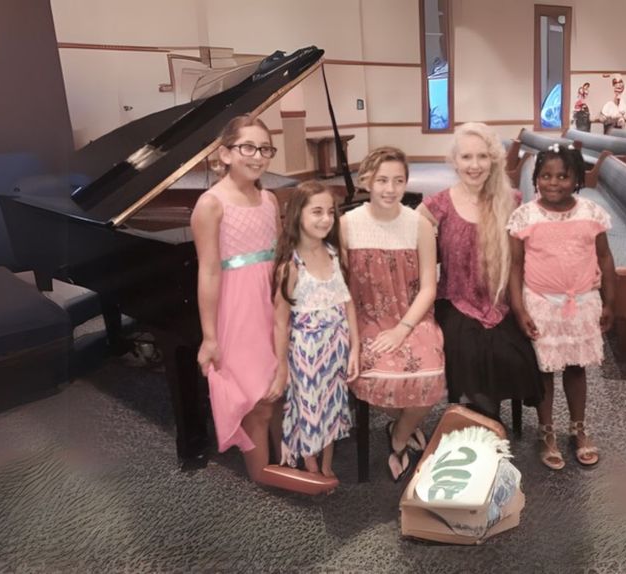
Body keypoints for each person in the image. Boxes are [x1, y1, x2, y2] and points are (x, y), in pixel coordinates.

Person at [417, 122, 543, 423]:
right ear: (454, 161)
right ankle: (483, 432)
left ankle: (485, 430)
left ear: (494, 160)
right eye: (466, 157)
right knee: (470, 354)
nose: (474, 165)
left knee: (510, 354)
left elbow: (527, 253)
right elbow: (404, 239)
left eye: (483, 157)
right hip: (455, 300)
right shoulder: (436, 206)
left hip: (499, 301)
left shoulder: (510, 201)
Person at [507, 143, 617, 470]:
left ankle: (578, 429)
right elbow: (515, 266)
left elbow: (605, 258)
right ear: (535, 178)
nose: (553, 183)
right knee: (544, 369)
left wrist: (610, 301)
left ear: (577, 179)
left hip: (582, 303)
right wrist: (519, 308)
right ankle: (546, 431)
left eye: (562, 176)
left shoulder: (591, 214)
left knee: (575, 366)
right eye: (545, 176)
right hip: (541, 304)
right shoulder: (525, 215)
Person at [340, 147, 446, 482]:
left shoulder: (419, 224)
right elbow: (342, 285)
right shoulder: (347, 224)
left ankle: (400, 433)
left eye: (398, 181)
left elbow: (429, 286)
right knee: (372, 372)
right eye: (382, 180)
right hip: (366, 319)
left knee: (430, 373)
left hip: (411, 316)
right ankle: (405, 423)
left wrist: (403, 329)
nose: (390, 188)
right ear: (367, 180)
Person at [190, 114, 284, 482]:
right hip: (238, 309)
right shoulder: (211, 204)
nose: (257, 156)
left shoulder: (270, 199)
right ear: (225, 154)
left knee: (279, 385)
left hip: (271, 303)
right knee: (255, 398)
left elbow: (278, 257)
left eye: (265, 149)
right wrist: (210, 336)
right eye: (247, 147)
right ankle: (262, 474)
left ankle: (284, 460)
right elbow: (209, 271)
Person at [272, 181, 357, 481]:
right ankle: (310, 465)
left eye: (330, 212)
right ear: (298, 215)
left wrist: (355, 349)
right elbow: (280, 321)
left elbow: (348, 304)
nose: (325, 219)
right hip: (306, 352)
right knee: (310, 408)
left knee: (333, 405)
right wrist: (282, 366)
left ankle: (327, 463)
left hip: (338, 345)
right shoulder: (291, 266)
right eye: (317, 212)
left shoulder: (335, 255)